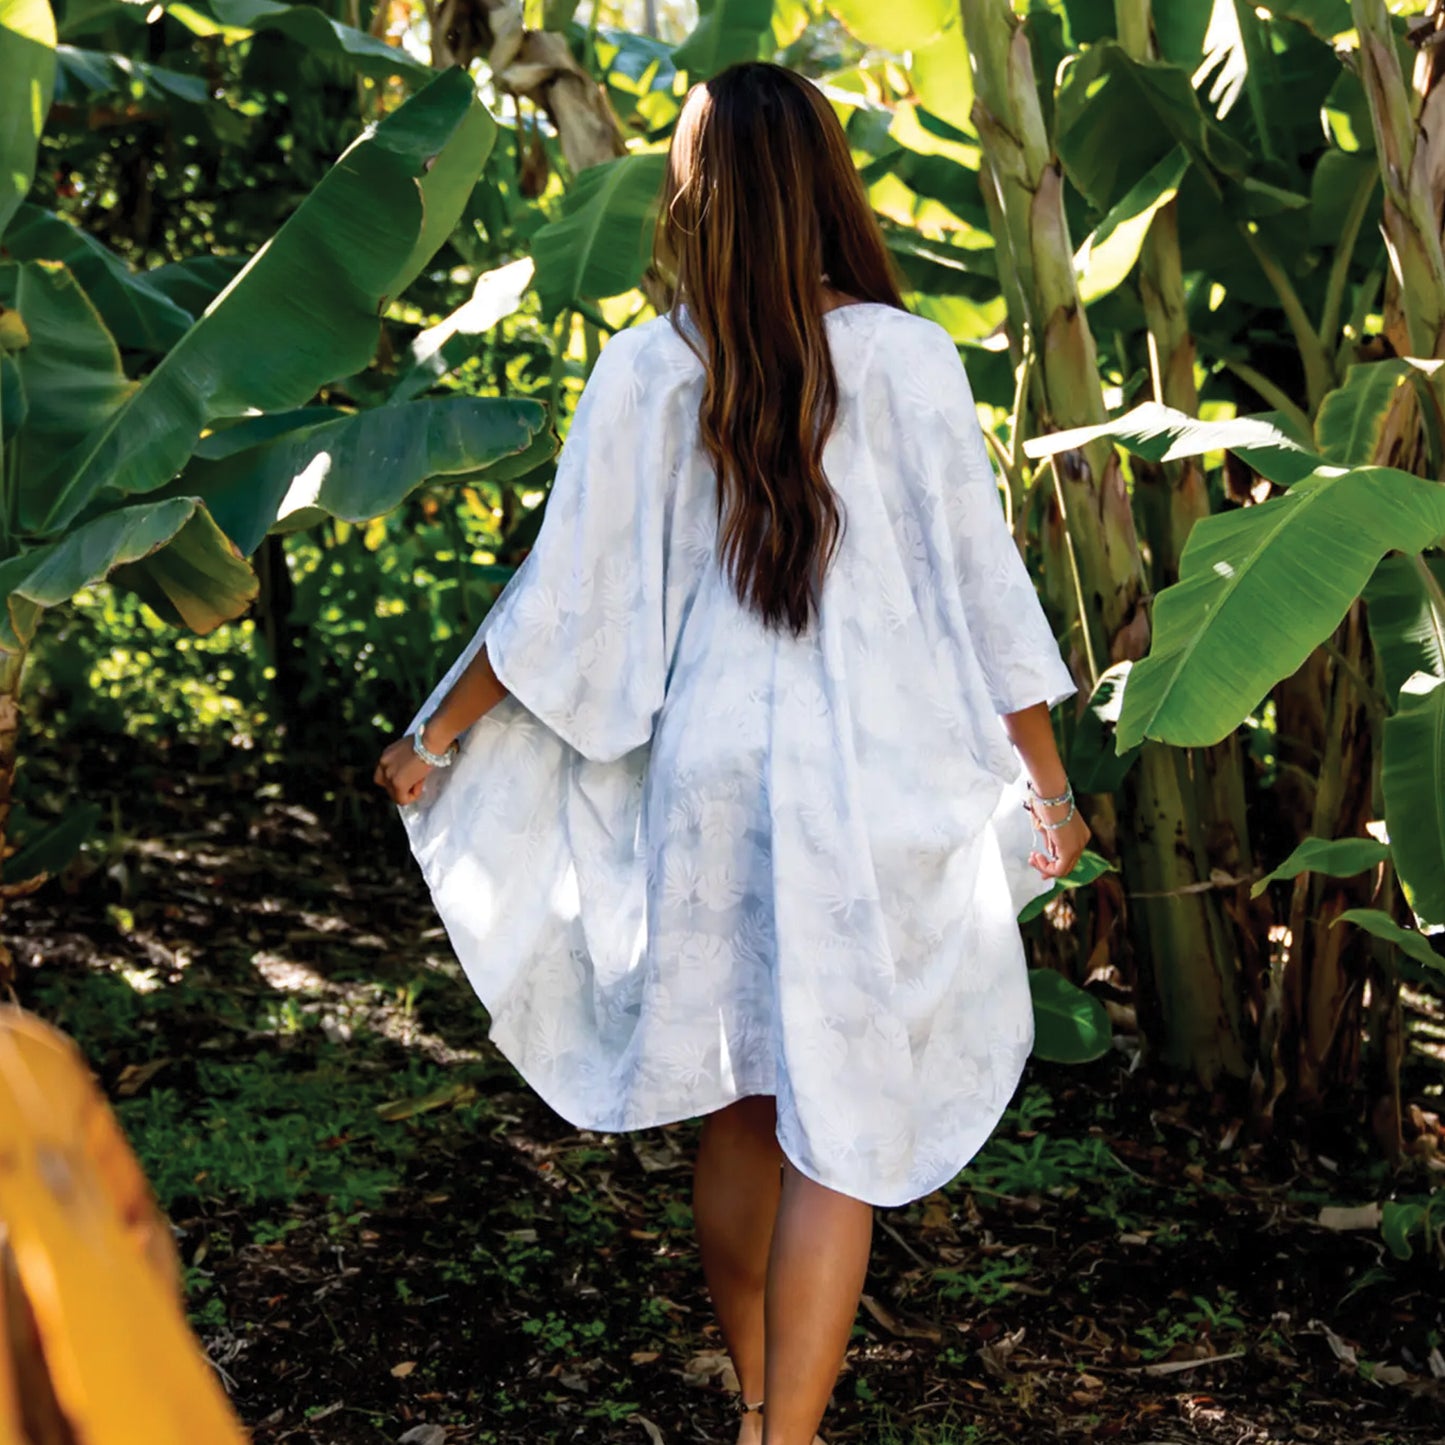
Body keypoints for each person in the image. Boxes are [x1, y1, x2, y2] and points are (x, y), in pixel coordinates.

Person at [374, 60, 1089, 1445]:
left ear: (691, 197)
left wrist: (435, 735)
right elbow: (982, 595)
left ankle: (760, 1402)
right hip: (865, 778)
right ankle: (783, 1437)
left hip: (709, 777)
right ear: (829, 183)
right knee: (841, 1114)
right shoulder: (906, 356)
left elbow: (560, 601)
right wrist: (1043, 784)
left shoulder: (649, 367)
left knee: (747, 1084)